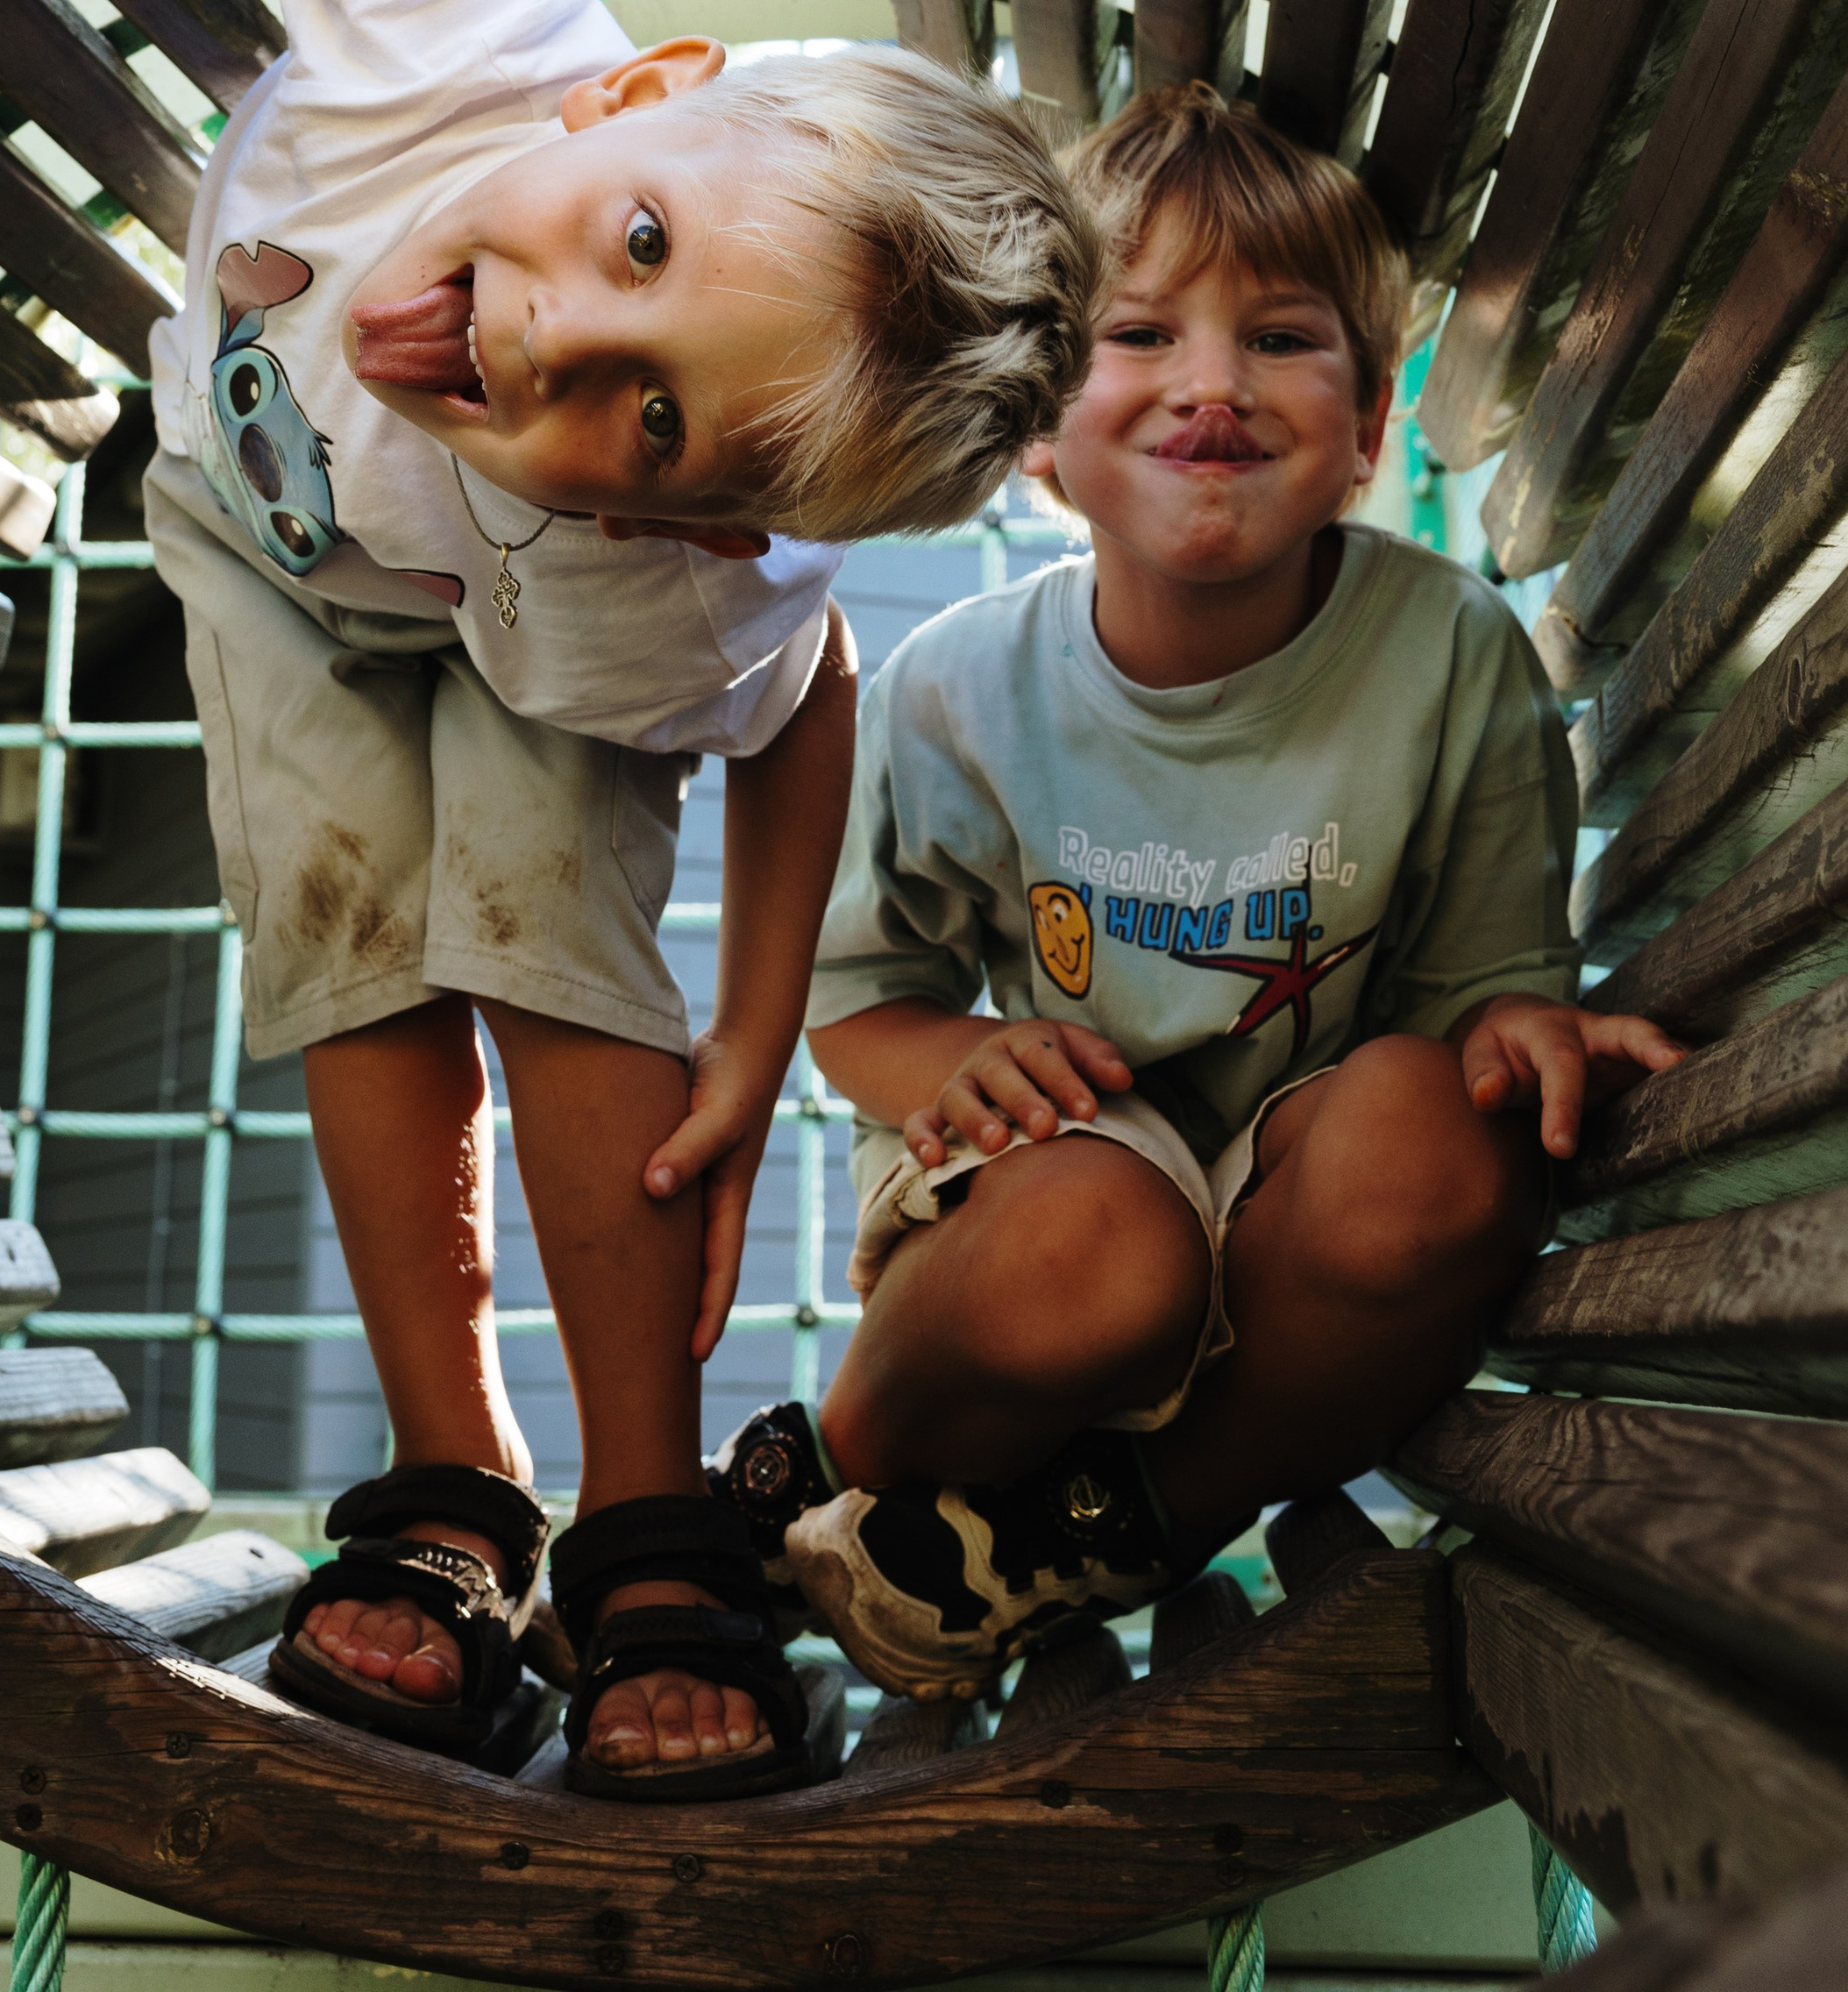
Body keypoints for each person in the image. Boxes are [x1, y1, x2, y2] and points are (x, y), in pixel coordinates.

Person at [0, 0, 1096, 1791]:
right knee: (346, 936)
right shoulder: (446, 17)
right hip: (245, 529)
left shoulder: (649, 571)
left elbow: (800, 681)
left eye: (641, 407)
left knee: (542, 922)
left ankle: (649, 1512)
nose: (545, 337)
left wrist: (750, 1047)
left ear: (690, 506)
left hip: (508, 614)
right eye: (630, 250)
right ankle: (454, 1500)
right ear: (641, 93)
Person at [710, 82, 1680, 1697]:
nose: (1212, 383)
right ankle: (838, 1457)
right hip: (1054, 1203)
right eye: (1140, 334)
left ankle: (1106, 1524)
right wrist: (950, 1058)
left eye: (1285, 337)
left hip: (1297, 1202)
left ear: (1370, 426)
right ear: (1035, 430)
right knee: (1109, 1238)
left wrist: (1528, 1032)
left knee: (1448, 1156)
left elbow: (1490, 998)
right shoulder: (959, 688)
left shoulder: (1451, 659)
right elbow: (852, 1000)